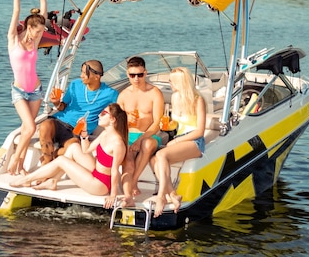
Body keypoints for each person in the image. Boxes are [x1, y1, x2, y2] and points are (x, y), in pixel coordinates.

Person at [10, 103, 128, 209]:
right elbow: (86, 150)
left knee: (61, 160)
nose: (99, 115)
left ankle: (27, 179)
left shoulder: (118, 144)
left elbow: (114, 171)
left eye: (103, 113)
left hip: (100, 185)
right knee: (73, 147)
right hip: (96, 172)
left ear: (112, 119)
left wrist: (113, 196)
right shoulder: (105, 133)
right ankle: (53, 181)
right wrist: (84, 132)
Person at [7, 0, 51, 175]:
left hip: (35, 91)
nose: (40, 33)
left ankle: (20, 165)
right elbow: (16, 11)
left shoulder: (35, 41)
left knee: (27, 129)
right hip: (19, 92)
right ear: (30, 27)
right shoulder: (13, 39)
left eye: (42, 30)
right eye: (38, 30)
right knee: (31, 127)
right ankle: (16, 159)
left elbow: (44, 15)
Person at [149, 67, 206, 217]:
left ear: (181, 82)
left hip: (195, 141)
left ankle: (161, 196)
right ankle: (173, 195)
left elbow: (199, 131)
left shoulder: (198, 100)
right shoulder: (175, 97)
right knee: (154, 159)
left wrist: (176, 141)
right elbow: (178, 124)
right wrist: (169, 126)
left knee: (161, 155)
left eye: (172, 81)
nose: (169, 83)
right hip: (180, 138)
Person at [40, 59, 119, 164]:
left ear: (97, 76)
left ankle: (52, 156)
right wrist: (56, 103)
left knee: (73, 147)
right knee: (44, 126)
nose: (81, 75)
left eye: (84, 73)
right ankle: (46, 163)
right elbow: (62, 107)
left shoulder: (110, 94)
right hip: (60, 121)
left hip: (78, 130)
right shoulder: (75, 84)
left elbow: (120, 113)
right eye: (81, 72)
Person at [117, 56, 164, 207]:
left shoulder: (154, 93)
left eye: (140, 75)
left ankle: (134, 180)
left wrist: (140, 138)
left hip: (148, 134)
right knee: (128, 160)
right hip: (128, 134)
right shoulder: (124, 95)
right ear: (127, 75)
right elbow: (117, 122)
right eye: (132, 75)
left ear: (146, 73)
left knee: (148, 144)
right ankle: (128, 195)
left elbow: (157, 123)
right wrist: (125, 123)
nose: (136, 79)